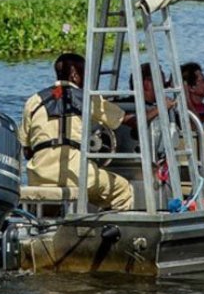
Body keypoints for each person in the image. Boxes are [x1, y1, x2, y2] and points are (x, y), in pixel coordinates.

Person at [19, 52, 137, 211]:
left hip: (39, 176)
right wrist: (160, 110)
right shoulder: (88, 98)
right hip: (76, 176)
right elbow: (127, 121)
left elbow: (27, 151)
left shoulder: (33, 101)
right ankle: (109, 230)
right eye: (84, 73)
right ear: (74, 74)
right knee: (122, 189)